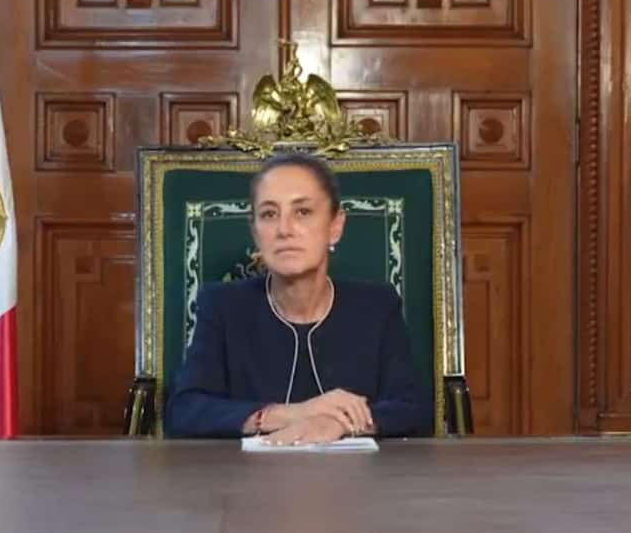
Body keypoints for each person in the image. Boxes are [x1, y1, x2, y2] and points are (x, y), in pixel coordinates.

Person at [164, 152, 433, 442]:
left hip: (357, 471)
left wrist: (339, 425)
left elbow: (413, 409)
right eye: (269, 214)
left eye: (303, 212)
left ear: (335, 226)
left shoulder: (377, 306)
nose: (284, 230)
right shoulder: (222, 306)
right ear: (255, 232)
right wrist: (290, 414)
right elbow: (183, 410)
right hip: (245, 471)